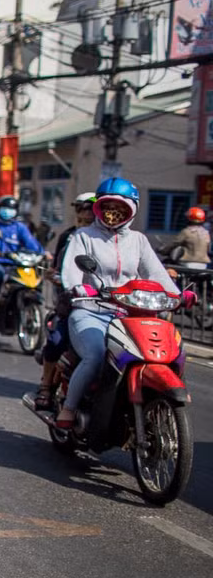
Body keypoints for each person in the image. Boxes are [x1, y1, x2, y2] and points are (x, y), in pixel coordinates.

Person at [56, 179, 179, 429]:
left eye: (120, 207)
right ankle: (69, 408)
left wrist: (178, 295)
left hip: (130, 315)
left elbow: (157, 273)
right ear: (98, 208)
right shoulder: (84, 236)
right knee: (97, 355)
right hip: (90, 311)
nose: (113, 213)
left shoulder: (139, 240)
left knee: (162, 354)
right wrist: (78, 287)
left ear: (131, 209)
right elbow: (70, 271)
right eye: (107, 207)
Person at [33, 192, 96, 410]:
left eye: (92, 209)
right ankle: (46, 385)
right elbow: (59, 269)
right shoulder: (69, 236)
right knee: (57, 341)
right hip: (73, 303)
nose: (87, 214)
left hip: (107, 307)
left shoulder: (117, 239)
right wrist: (57, 276)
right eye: (82, 209)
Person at [0, 195, 44, 324]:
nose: (7, 212)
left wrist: (42, 252)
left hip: (18, 263)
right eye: (5, 208)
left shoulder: (20, 227)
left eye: (11, 209)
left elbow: (31, 243)